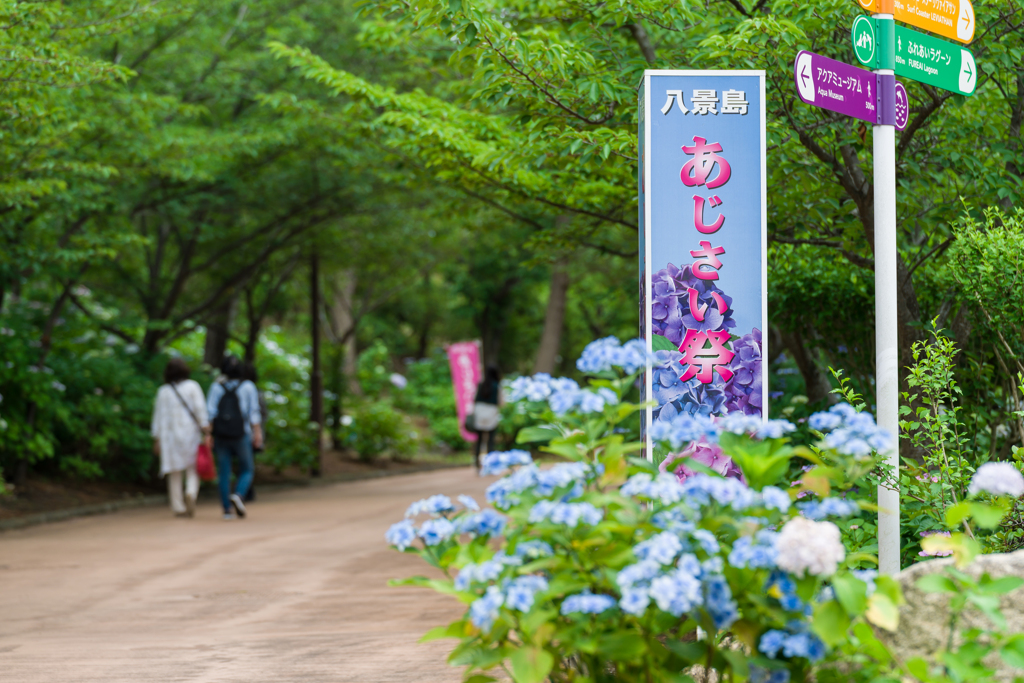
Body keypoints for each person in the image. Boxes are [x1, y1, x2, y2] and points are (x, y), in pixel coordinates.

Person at [151, 358, 210, 518]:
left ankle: (178, 506)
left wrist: (156, 438)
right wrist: (205, 427)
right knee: (192, 468)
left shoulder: (163, 391)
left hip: (169, 437)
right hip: (190, 433)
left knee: (174, 471)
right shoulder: (192, 386)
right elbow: (200, 409)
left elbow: (158, 416)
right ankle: (191, 492)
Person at [207, 355, 263, 520]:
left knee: (224, 472)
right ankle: (239, 494)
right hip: (241, 433)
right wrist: (257, 433)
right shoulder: (248, 386)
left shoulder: (216, 387)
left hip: (221, 434)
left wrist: (208, 434)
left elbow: (210, 412)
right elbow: (254, 412)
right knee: (247, 468)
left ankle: (226, 510)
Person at [240, 362, 268, 503]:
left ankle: (243, 491)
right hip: (248, 433)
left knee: (243, 464)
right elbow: (262, 414)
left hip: (234, 432)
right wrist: (258, 432)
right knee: (248, 465)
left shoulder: (232, 388)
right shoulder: (255, 390)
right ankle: (243, 492)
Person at [471, 365, 502, 470]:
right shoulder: (497, 386)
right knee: (490, 441)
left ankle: (477, 464)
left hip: (479, 413)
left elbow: (474, 398)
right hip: (492, 414)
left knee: (479, 440)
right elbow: (501, 402)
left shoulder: (481, 385)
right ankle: (490, 465)